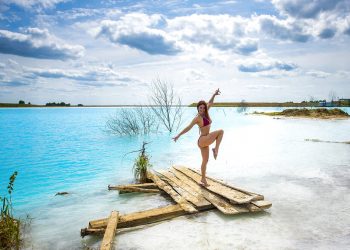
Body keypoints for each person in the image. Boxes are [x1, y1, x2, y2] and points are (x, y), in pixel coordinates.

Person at [172, 89, 224, 187]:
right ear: (197, 108)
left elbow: (210, 102)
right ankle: (216, 149)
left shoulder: (206, 113)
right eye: (200, 108)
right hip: (203, 139)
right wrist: (178, 135)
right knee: (221, 132)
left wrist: (214, 94)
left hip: (205, 141)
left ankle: (203, 179)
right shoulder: (197, 118)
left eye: (203, 108)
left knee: (205, 161)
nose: (202, 109)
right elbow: (188, 127)